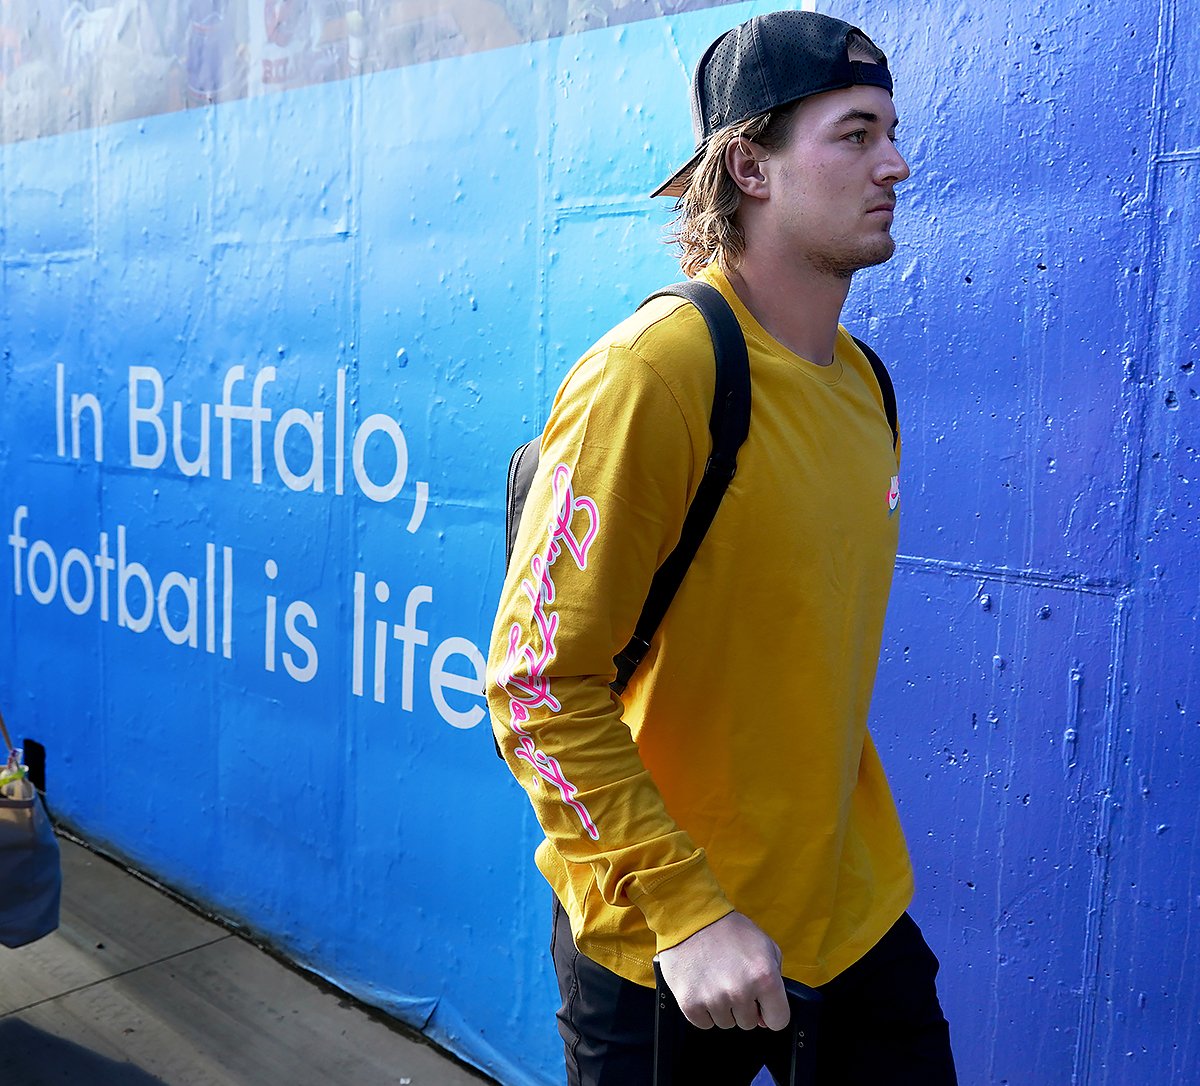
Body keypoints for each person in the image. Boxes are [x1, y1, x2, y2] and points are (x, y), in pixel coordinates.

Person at [486, 10, 958, 1084]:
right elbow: (534, 686)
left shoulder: (866, 386)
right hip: (672, 943)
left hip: (848, 916)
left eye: (890, 129)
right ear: (749, 164)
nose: (896, 162)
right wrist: (690, 912)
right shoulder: (658, 372)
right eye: (853, 134)